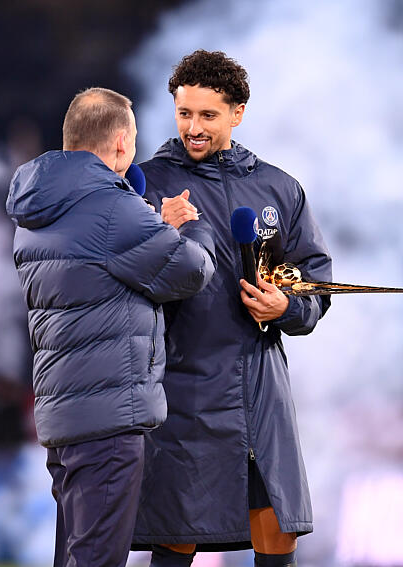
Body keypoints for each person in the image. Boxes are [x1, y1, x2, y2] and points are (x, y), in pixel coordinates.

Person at [132, 51, 333, 566]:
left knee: (275, 537)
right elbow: (117, 277)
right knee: (176, 537)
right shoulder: (144, 185)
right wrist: (159, 230)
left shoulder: (279, 189)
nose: (193, 127)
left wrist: (285, 305)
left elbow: (316, 284)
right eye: (184, 114)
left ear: (238, 112)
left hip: (258, 391)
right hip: (181, 390)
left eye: (207, 115)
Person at [6, 87, 216, 567]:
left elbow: (104, 261)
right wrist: (188, 225)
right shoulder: (110, 209)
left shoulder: (38, 209)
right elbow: (191, 271)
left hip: (64, 416)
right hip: (108, 418)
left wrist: (147, 223)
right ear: (122, 143)